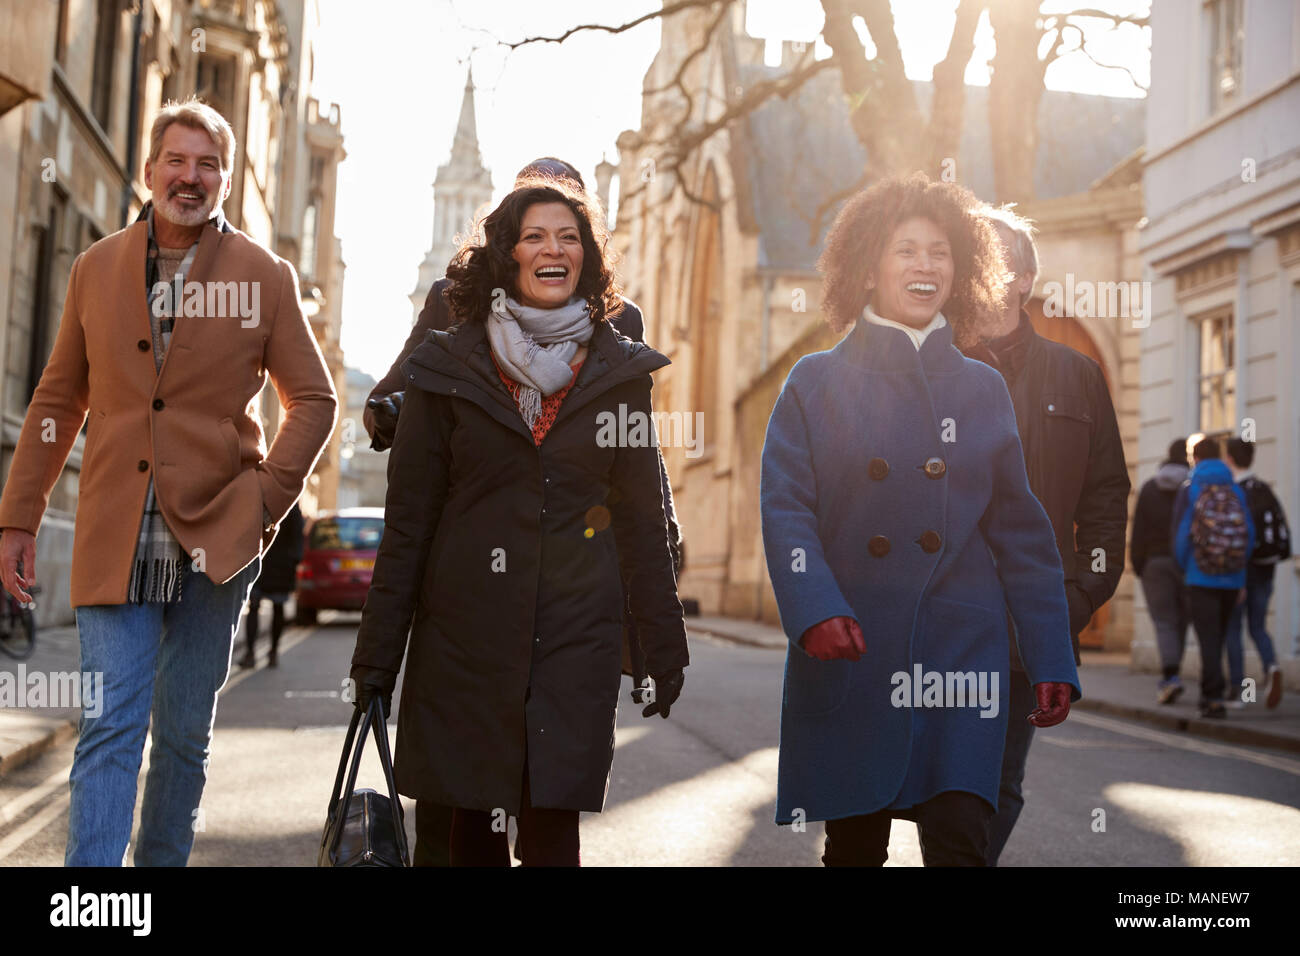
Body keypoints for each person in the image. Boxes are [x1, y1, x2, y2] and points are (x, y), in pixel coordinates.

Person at [0, 99, 337, 866]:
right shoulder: (95, 267)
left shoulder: (263, 275)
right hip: (115, 532)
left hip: (215, 540)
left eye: (208, 164)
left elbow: (314, 400)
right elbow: (57, 400)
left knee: (182, 734)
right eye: (177, 161)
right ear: (150, 170)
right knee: (110, 724)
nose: (191, 177)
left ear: (224, 179)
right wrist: (19, 516)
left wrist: (263, 503)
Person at [348, 177, 688, 867]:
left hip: (574, 639)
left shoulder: (621, 375)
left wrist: (662, 641)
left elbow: (640, 521)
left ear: (587, 260)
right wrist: (376, 660)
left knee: (554, 833)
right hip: (465, 641)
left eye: (568, 237)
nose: (551, 249)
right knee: (472, 835)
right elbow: (409, 525)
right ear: (506, 255)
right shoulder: (443, 366)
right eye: (534, 236)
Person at [760, 174, 1080, 867]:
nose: (926, 266)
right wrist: (814, 608)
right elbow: (787, 512)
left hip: (961, 651)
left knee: (963, 836)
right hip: (853, 641)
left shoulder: (981, 388)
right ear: (868, 266)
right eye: (906, 251)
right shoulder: (814, 382)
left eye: (940, 252)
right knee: (854, 846)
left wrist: (1052, 653)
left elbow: (1022, 537)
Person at [962, 204, 1130, 866]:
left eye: (997, 258)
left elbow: (1106, 494)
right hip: (941, 614)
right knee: (929, 780)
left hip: (1031, 622)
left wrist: (1084, 593)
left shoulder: (1077, 375)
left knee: (1000, 784)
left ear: (1026, 278)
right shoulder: (929, 365)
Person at [1171, 437, 1255, 719]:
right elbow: (1249, 534)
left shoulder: (1190, 488)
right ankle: (1223, 691)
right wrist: (1240, 573)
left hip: (1201, 575)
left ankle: (1212, 698)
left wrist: (1187, 566)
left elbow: (1182, 533)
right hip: (1232, 576)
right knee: (1222, 635)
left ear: (1194, 458)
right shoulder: (1235, 488)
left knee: (1207, 638)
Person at [1223, 437, 1289, 708]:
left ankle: (1238, 691)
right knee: (1258, 626)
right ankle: (1271, 666)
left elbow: (1236, 537)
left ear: (1229, 459)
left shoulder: (1234, 492)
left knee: (1233, 629)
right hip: (1266, 569)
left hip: (1241, 570)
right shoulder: (1264, 489)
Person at [1131, 439, 1193, 704]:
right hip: (1186, 563)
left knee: (1164, 622)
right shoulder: (1192, 488)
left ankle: (1171, 677)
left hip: (1154, 563)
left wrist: (1138, 564)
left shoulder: (1149, 488)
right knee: (1183, 620)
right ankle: (1174, 673)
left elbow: (1138, 530)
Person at [238, 502, 305, 669]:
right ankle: (272, 652)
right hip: (278, 566)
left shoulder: (260, 497)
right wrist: (294, 560)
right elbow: (298, 536)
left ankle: (251, 653)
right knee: (275, 608)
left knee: (255, 607)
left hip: (263, 562)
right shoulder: (290, 502)